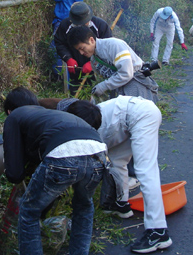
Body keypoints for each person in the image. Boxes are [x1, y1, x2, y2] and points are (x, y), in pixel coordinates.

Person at [2, 87, 106, 255]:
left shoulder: (14, 116)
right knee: (84, 208)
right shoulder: (50, 115)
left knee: (28, 212)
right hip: (98, 152)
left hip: (65, 154)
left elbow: (14, 174)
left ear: (9, 110)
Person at [65, 97, 172, 253]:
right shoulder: (89, 118)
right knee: (116, 160)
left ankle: (158, 232)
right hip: (129, 117)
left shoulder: (90, 128)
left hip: (142, 115)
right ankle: (120, 204)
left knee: (146, 172)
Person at [67, 25, 159, 102]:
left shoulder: (114, 45)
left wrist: (103, 86)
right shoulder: (94, 60)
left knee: (137, 117)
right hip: (120, 89)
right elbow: (106, 79)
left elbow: (126, 73)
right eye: (78, 50)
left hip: (135, 83)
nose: (81, 53)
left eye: (82, 48)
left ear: (91, 40)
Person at [54, 2, 113, 94]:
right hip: (76, 67)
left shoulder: (100, 26)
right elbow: (59, 43)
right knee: (76, 93)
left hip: (99, 70)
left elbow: (108, 49)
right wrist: (68, 58)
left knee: (96, 93)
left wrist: (93, 63)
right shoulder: (65, 25)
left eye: (83, 23)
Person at [48, 0, 88, 77]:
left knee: (56, 49)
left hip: (61, 24)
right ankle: (70, 78)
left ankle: (58, 76)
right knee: (69, 51)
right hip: (75, 24)